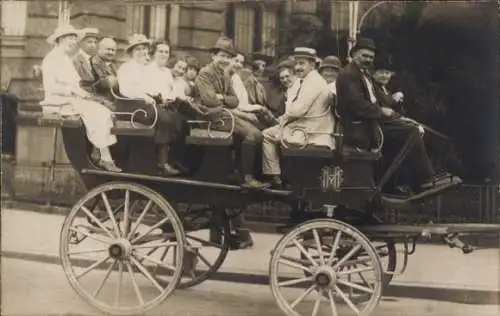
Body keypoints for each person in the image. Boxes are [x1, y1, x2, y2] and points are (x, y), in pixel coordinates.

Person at [336, 37, 460, 194]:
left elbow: (381, 98)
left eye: (371, 57)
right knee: (411, 132)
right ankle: (424, 180)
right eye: (364, 56)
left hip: (370, 121)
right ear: (354, 55)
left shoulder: (364, 74)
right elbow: (355, 104)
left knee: (411, 128)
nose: (368, 60)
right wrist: (381, 111)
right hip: (360, 127)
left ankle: (392, 185)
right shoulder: (348, 75)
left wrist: (395, 111)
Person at [41, 24, 121, 172]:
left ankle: (102, 155)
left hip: (72, 98)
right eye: (71, 38)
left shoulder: (64, 58)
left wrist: (86, 95)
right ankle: (104, 157)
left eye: (74, 38)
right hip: (57, 100)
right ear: (61, 39)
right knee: (97, 113)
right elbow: (50, 87)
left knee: (103, 111)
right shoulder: (51, 59)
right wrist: (71, 91)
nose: (73, 42)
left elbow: (76, 85)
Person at [195, 36, 267, 189]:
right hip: (210, 117)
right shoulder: (205, 73)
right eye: (222, 56)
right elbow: (209, 100)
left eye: (228, 57)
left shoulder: (226, 75)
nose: (225, 60)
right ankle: (246, 177)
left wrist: (220, 97)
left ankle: (238, 171)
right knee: (252, 135)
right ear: (214, 56)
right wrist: (222, 99)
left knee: (259, 133)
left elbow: (235, 101)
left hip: (223, 114)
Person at [262, 47, 335, 189]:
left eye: (302, 64)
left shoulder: (312, 82)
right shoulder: (311, 80)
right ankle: (285, 176)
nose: (298, 68)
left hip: (310, 133)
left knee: (267, 135)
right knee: (275, 129)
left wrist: (282, 119)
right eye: (296, 64)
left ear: (312, 65)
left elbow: (295, 111)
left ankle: (275, 178)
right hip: (314, 127)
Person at [117, 36, 185, 175]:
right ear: (131, 52)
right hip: (129, 104)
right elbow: (125, 90)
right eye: (138, 49)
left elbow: (149, 87)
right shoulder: (127, 67)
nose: (142, 51)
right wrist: (144, 97)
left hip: (142, 102)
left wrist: (154, 96)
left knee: (174, 117)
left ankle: (166, 159)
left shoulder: (143, 68)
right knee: (163, 118)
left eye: (143, 48)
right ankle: (162, 162)